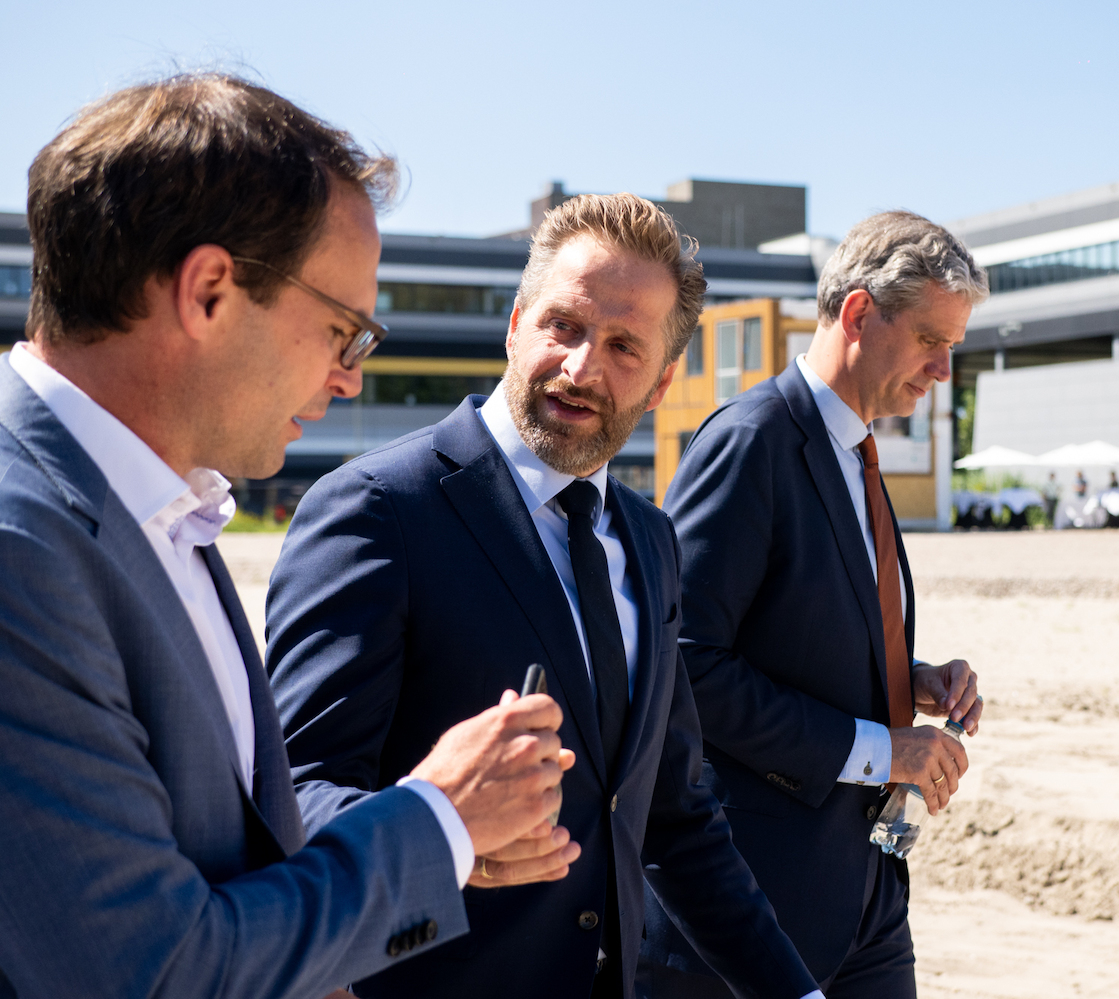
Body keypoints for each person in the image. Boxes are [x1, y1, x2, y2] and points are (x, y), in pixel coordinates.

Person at [0, 74, 572, 998]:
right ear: (212, 291)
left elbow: (234, 863)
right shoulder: (18, 540)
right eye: (344, 330)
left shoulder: (163, 507)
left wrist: (432, 847)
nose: (349, 379)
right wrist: (438, 821)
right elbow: (152, 972)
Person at [266, 194, 822, 999]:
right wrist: (444, 828)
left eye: (624, 345)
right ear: (517, 323)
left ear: (664, 381)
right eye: (564, 325)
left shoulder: (653, 540)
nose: (582, 366)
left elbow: (675, 815)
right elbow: (293, 797)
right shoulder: (379, 510)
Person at [641, 211, 987, 998]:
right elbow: (685, 665)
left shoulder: (857, 449)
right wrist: (883, 747)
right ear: (860, 314)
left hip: (865, 891)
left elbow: (805, 631)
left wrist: (912, 674)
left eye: (952, 349)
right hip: (748, 907)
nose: (942, 370)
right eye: (932, 341)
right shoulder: (751, 441)